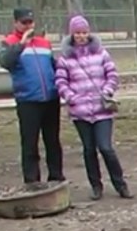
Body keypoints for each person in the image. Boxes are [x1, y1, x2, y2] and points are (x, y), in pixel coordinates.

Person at [54, 14, 131, 200]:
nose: (81, 36)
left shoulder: (101, 53)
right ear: (72, 35)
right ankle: (96, 185)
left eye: (84, 32)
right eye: (77, 33)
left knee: (106, 148)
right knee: (89, 149)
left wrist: (107, 90)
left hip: (102, 109)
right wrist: (70, 96)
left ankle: (120, 184)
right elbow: (60, 81)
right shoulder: (65, 58)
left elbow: (112, 74)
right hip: (80, 111)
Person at [0, 6, 65, 185]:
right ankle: (32, 179)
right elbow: (5, 62)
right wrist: (22, 44)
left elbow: (53, 65)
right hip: (28, 100)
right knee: (30, 142)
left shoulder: (44, 43)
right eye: (24, 23)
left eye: (30, 22)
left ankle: (56, 176)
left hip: (50, 98)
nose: (28, 26)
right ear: (16, 23)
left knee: (53, 140)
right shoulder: (9, 42)